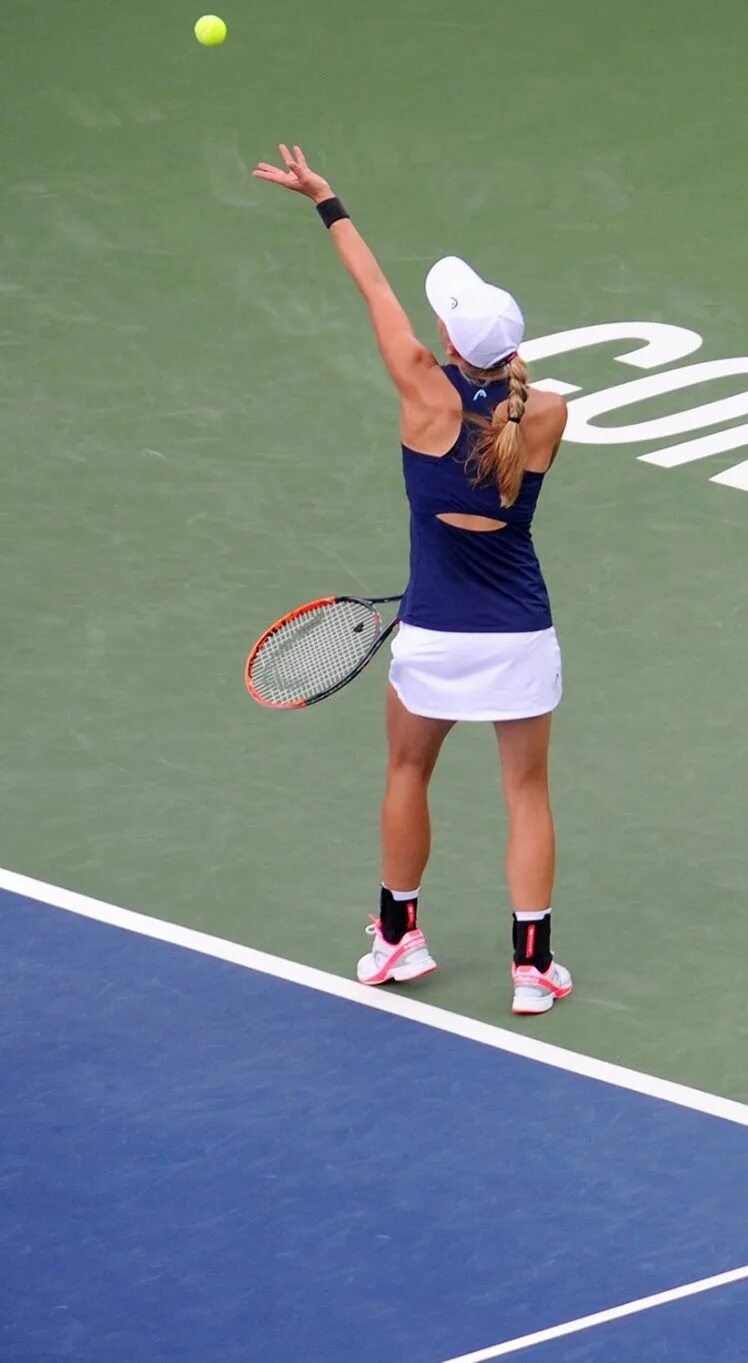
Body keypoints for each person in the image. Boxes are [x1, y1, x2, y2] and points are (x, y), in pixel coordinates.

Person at [254, 145, 575, 1015]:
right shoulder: (544, 413)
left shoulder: (421, 394)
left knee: (407, 770)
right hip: (519, 634)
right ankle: (532, 968)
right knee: (528, 792)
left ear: (445, 343)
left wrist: (326, 200)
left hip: (434, 635)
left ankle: (398, 940)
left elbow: (375, 290)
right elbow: (502, 399)